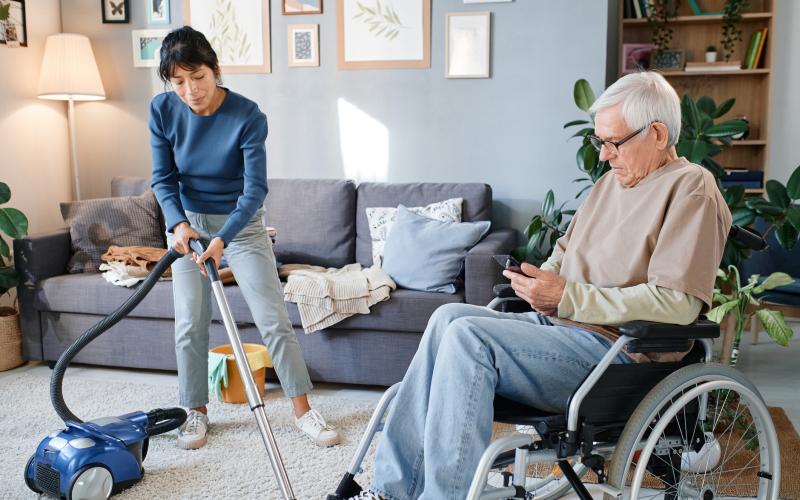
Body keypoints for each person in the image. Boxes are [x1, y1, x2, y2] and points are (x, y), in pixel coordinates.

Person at [349, 71, 732, 499]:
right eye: (599, 142)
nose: (604, 156)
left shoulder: (691, 188)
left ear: (658, 133)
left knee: (469, 336)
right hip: (561, 332)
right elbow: (565, 254)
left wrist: (568, 297)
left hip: (615, 354)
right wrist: (538, 279)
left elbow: (677, 304)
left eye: (613, 143)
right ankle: (392, 491)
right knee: (447, 317)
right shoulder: (610, 184)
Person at [149, 26, 340, 450]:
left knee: (273, 318)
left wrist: (225, 239)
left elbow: (255, 190)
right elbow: (162, 179)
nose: (190, 90)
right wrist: (180, 225)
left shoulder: (247, 115)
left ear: (215, 70)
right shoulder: (162, 110)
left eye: (197, 77)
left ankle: (303, 412)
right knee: (189, 322)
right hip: (187, 226)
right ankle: (194, 412)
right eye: (178, 82)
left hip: (243, 222)